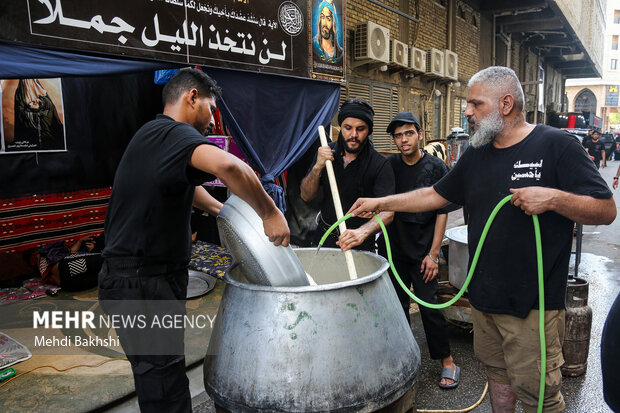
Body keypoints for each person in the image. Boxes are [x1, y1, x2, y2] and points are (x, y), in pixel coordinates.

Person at [348, 66, 616, 413]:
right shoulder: (477, 153)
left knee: (539, 396)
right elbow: (434, 196)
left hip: (531, 306)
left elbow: (606, 208)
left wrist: (552, 199)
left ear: (506, 104)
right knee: (498, 380)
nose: (467, 112)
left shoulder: (556, 145)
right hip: (484, 299)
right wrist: (381, 203)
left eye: (475, 104)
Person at [98, 68, 289, 413]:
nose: (214, 122)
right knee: (164, 385)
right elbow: (232, 168)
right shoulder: (172, 133)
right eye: (212, 109)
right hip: (142, 283)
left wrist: (224, 212)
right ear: (192, 98)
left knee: (159, 376)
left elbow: (188, 187)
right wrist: (269, 212)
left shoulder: (154, 135)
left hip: (139, 280)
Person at [377, 112, 460, 389]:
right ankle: (402, 360)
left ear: (420, 134)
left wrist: (434, 254)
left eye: (408, 133)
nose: (403, 140)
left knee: (429, 307)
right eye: (398, 135)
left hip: (424, 252)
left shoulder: (436, 166)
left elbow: (442, 211)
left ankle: (447, 362)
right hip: (395, 250)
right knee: (397, 308)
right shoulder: (389, 165)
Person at [300, 97, 394, 252]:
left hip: (359, 245)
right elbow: (306, 196)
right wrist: (318, 167)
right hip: (324, 238)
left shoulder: (380, 165)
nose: (354, 135)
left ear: (368, 130)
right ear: (341, 127)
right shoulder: (325, 154)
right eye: (348, 128)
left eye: (360, 129)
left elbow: (388, 212)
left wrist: (362, 232)